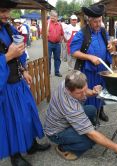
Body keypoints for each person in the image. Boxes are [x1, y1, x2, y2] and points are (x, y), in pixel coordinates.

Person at [0, 1, 51, 166]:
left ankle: (31, 145)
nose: (6, 15)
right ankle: (15, 157)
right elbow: (10, 55)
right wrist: (7, 56)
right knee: (12, 121)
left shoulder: (8, 28)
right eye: (2, 11)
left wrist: (24, 70)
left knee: (29, 113)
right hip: (5, 87)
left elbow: (19, 52)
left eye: (7, 11)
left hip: (18, 82)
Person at [44, 70, 117, 160]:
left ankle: (82, 129)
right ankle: (63, 148)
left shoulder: (68, 81)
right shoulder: (71, 107)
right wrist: (115, 147)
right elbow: (91, 134)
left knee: (91, 109)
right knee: (91, 140)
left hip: (62, 119)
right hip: (56, 132)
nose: (83, 95)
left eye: (85, 89)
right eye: (79, 93)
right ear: (68, 90)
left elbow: (83, 90)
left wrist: (92, 92)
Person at [71, 5, 113, 122]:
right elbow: (73, 51)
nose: (98, 24)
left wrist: (109, 45)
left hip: (102, 69)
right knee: (90, 93)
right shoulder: (82, 33)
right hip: (88, 70)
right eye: (95, 22)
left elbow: (107, 42)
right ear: (89, 21)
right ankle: (91, 115)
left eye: (100, 20)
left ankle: (100, 111)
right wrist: (89, 57)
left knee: (102, 91)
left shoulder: (103, 31)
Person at [47, 10, 64, 77]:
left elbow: (62, 34)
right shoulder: (47, 23)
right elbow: (42, 33)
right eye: (52, 15)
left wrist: (60, 41)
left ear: (57, 17)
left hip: (57, 44)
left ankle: (57, 72)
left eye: (54, 16)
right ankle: (48, 73)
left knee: (57, 59)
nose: (53, 17)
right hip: (49, 43)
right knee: (48, 58)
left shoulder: (60, 24)